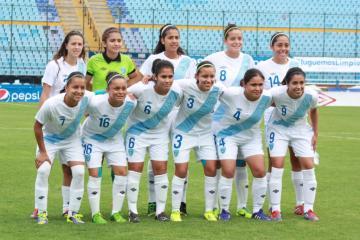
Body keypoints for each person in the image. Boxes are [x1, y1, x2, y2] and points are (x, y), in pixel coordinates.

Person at [140, 24, 196, 216]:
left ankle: (181, 202)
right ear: (162, 40)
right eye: (170, 37)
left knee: (182, 159)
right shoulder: (153, 60)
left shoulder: (189, 61)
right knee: (156, 159)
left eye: (176, 37)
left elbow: (192, 88)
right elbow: (143, 83)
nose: (174, 40)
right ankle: (153, 202)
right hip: (158, 114)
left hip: (181, 114)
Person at [32, 30, 86, 219]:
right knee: (44, 167)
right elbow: (46, 92)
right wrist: (44, 114)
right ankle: (39, 208)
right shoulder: (54, 65)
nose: (77, 47)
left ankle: (67, 209)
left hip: (70, 124)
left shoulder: (82, 65)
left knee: (70, 170)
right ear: (66, 45)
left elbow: (82, 94)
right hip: (53, 118)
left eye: (80, 44)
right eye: (74, 44)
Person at [205, 23, 255, 218]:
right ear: (225, 40)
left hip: (242, 118)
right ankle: (218, 205)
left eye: (239, 38)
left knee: (241, 163)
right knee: (220, 163)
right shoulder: (214, 59)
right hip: (218, 117)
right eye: (232, 38)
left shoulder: (248, 60)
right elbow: (204, 79)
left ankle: (242, 205)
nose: (236, 42)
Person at [125, 59, 182, 223]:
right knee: (136, 169)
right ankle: (133, 211)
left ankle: (160, 211)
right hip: (137, 132)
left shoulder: (177, 91)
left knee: (161, 169)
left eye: (170, 76)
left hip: (160, 134)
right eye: (163, 76)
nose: (168, 80)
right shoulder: (141, 89)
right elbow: (119, 93)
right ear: (155, 77)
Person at [256, 32, 305, 216]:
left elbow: (301, 90)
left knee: (297, 159)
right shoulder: (263, 66)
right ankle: (272, 204)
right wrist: (283, 100)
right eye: (279, 45)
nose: (283, 49)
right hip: (274, 118)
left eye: (286, 45)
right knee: (275, 161)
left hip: (296, 118)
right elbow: (263, 93)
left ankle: (300, 203)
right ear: (272, 47)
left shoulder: (295, 65)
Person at [33, 72, 91, 224]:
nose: (79, 91)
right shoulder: (52, 104)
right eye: (75, 87)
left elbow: (106, 93)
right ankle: (41, 213)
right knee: (43, 170)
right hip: (49, 140)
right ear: (66, 87)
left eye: (82, 87)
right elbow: (37, 126)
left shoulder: (86, 99)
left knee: (78, 172)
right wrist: (43, 153)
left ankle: (72, 212)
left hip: (72, 139)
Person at [169, 61, 224, 222]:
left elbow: (237, 96)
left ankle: (209, 210)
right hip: (183, 133)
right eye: (204, 76)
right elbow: (164, 84)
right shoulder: (184, 84)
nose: (208, 80)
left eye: (211, 76)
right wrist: (149, 79)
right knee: (181, 170)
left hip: (205, 135)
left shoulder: (219, 89)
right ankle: (175, 211)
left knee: (211, 168)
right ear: (196, 77)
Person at [215, 69, 272, 221]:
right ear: (244, 85)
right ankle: (224, 211)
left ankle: (257, 211)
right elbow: (210, 88)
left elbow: (287, 95)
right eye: (253, 85)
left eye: (260, 85)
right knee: (228, 170)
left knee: (260, 171)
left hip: (251, 138)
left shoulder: (267, 97)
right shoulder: (231, 94)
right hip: (227, 135)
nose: (257, 88)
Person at [82, 72, 136, 224]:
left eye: (123, 88)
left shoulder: (131, 103)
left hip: (114, 140)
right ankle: (96, 214)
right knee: (94, 173)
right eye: (116, 88)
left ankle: (116, 212)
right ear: (108, 90)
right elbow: (81, 106)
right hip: (92, 139)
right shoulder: (95, 102)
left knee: (122, 173)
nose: (120, 92)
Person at [267, 67, 319, 221]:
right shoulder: (276, 93)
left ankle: (308, 209)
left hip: (301, 130)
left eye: (302, 83)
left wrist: (315, 134)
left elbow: (314, 111)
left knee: (308, 165)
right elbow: (263, 104)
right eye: (295, 83)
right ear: (287, 84)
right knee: (277, 164)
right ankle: (275, 209)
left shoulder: (311, 95)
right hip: (278, 129)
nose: (299, 86)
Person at [86, 27, 142, 92]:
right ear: (104, 43)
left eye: (119, 40)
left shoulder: (127, 60)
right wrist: (95, 93)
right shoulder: (93, 60)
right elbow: (85, 82)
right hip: (98, 100)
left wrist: (124, 85)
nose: (116, 44)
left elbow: (136, 77)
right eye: (112, 41)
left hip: (118, 100)